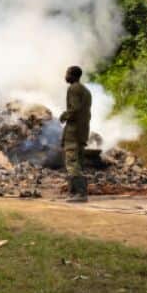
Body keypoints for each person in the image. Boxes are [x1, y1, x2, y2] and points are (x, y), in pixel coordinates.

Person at [60, 65, 93, 203]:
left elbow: (75, 109)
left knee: (72, 162)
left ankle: (80, 194)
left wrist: (64, 115)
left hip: (73, 132)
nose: (65, 76)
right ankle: (74, 192)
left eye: (67, 73)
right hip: (82, 130)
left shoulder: (73, 88)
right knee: (78, 162)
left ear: (73, 75)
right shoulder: (86, 90)